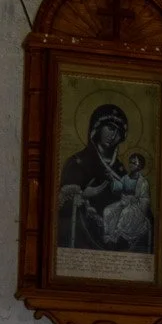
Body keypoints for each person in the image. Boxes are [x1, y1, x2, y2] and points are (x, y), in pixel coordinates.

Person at [56, 103, 134, 250]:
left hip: (114, 244)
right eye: (110, 128)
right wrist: (82, 195)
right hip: (82, 241)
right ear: (97, 128)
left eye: (118, 132)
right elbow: (61, 210)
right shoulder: (77, 163)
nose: (113, 136)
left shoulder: (120, 171)